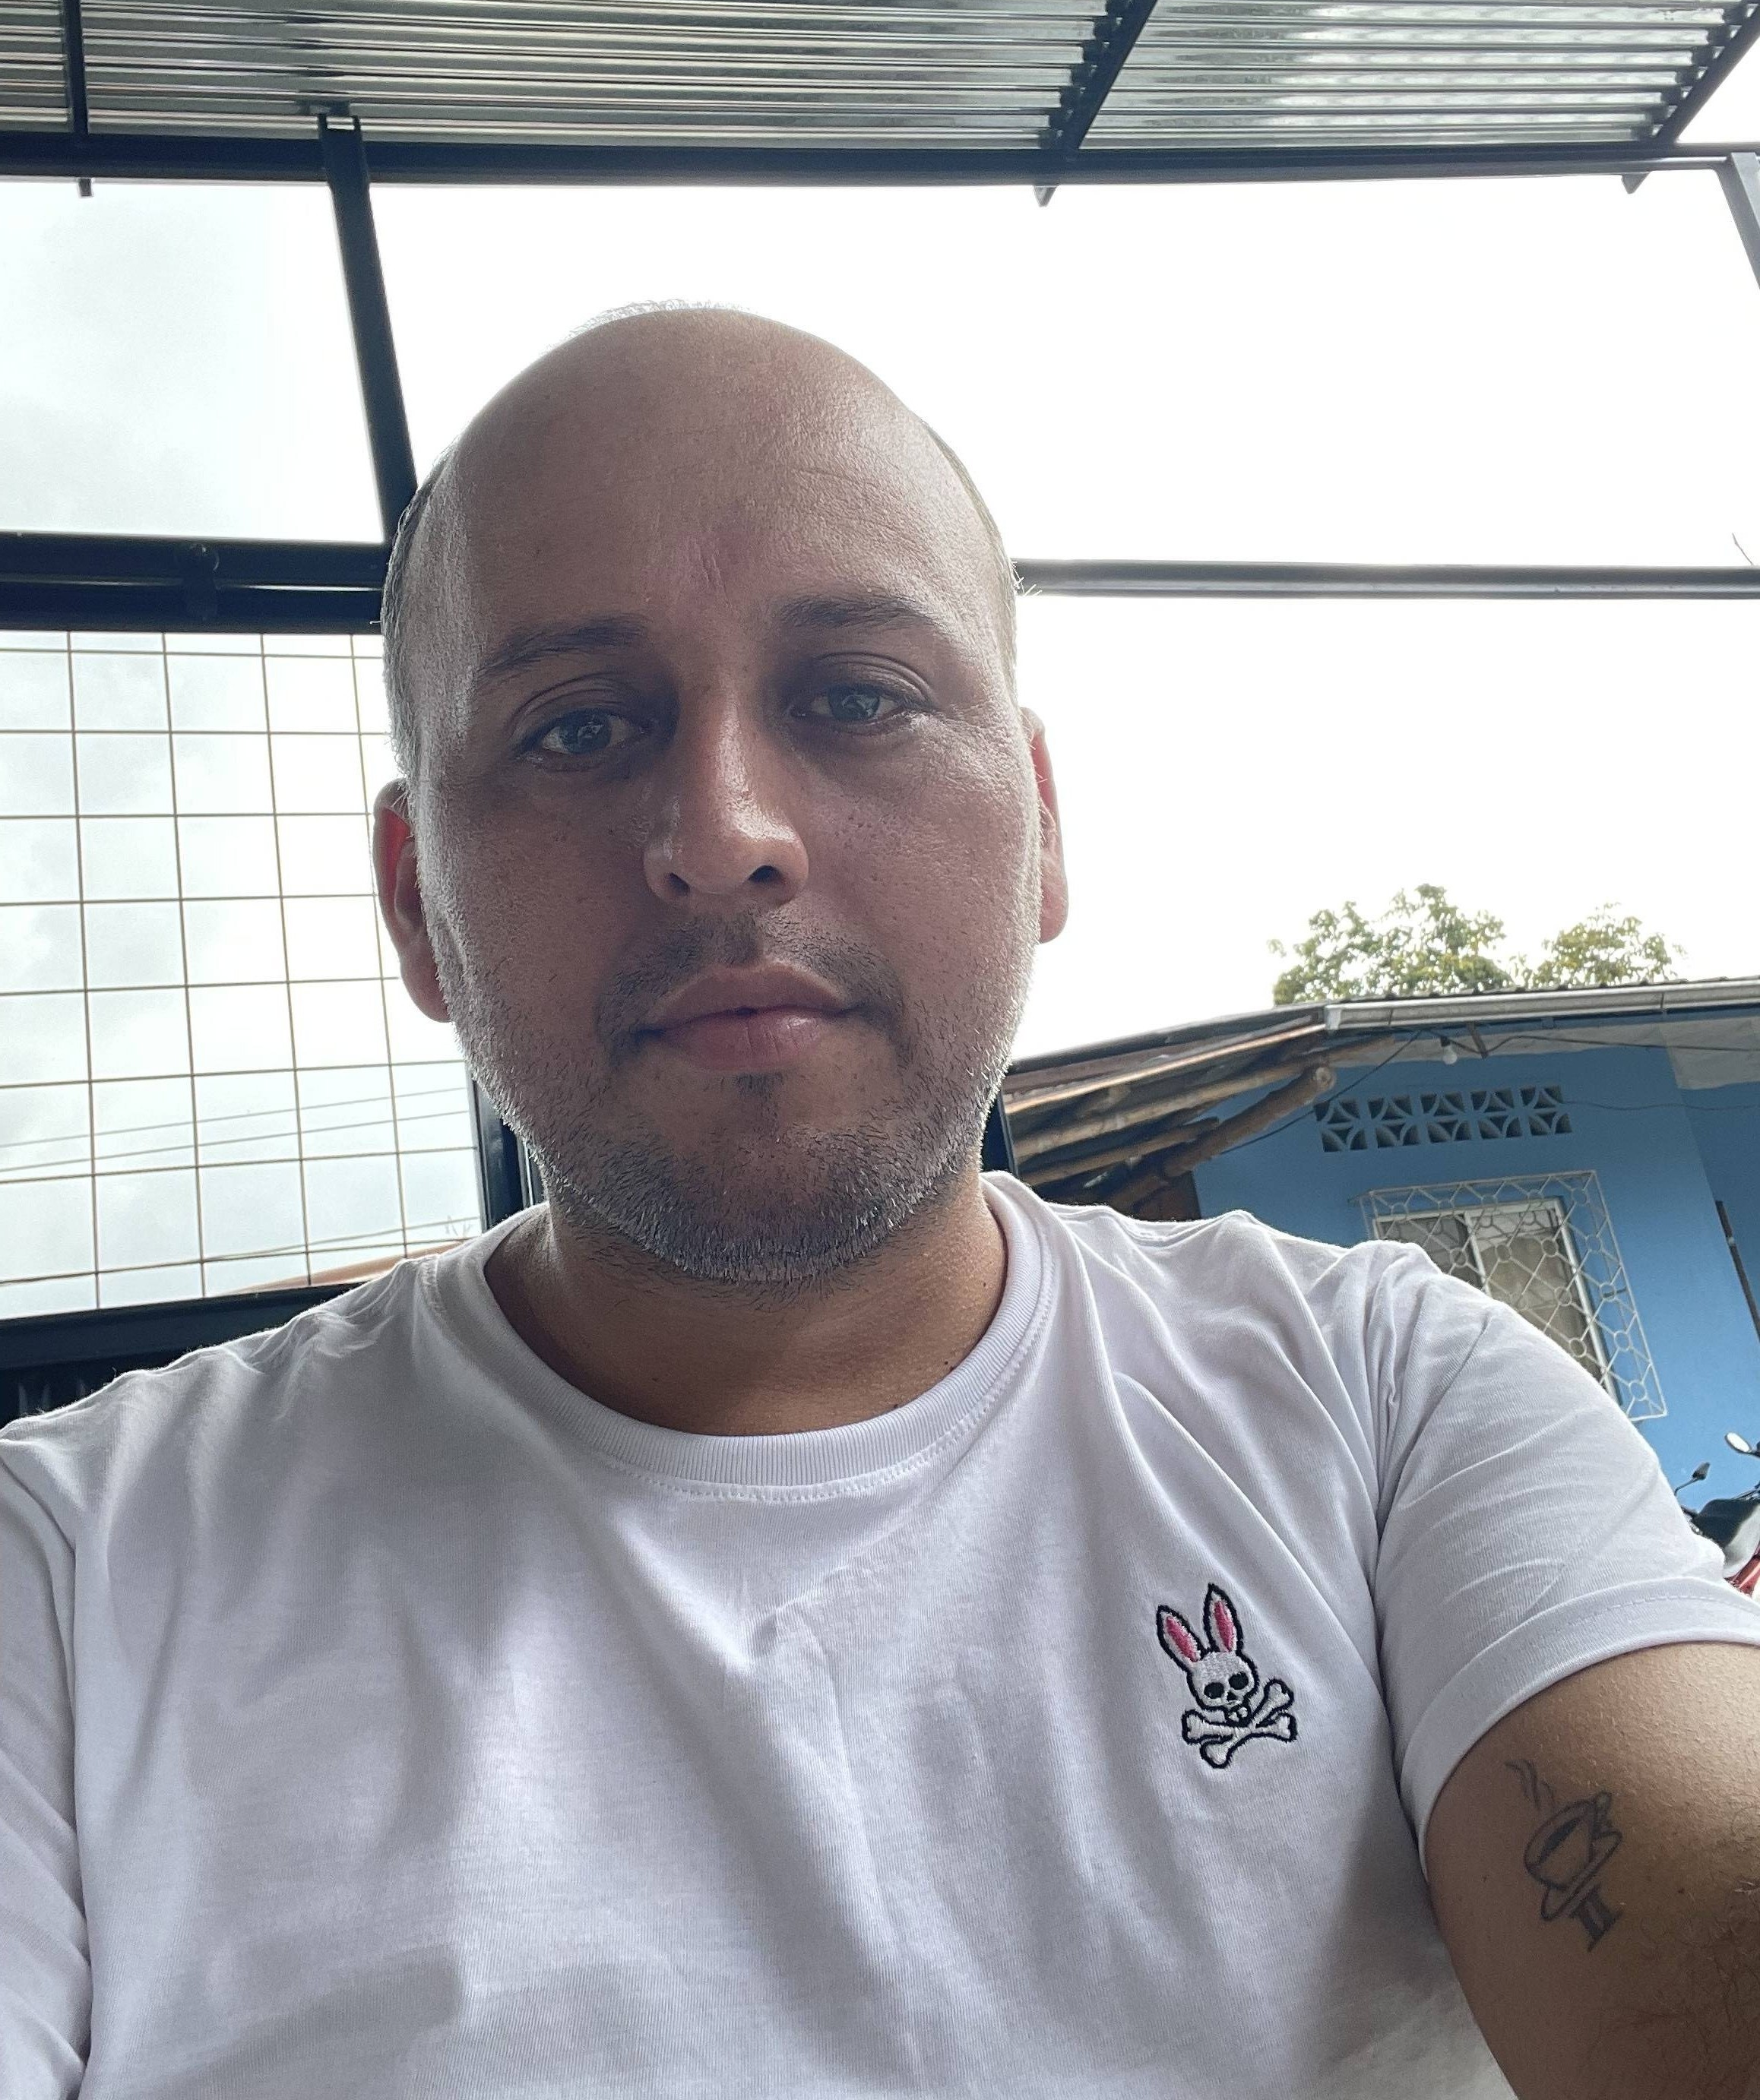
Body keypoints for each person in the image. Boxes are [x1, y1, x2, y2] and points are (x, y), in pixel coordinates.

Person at [2, 307, 1758, 2100]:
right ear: (414, 905)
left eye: (855, 695)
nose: (724, 832)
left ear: (1042, 823)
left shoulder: (1395, 1408)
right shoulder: (66, 1583)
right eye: (578, 725)